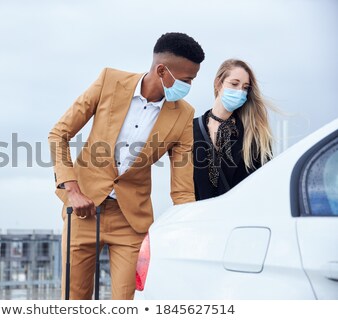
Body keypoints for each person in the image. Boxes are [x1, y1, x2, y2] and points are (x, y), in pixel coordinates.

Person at [49, 32, 205, 299]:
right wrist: (72, 191)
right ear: (161, 70)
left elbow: (182, 189)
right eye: (187, 80)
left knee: (129, 302)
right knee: (74, 300)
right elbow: (58, 135)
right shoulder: (110, 80)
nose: (189, 86)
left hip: (131, 222)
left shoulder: (184, 115)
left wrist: (189, 228)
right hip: (84, 211)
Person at [193, 59, 273, 200]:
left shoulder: (254, 134)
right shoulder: (191, 129)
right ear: (218, 83)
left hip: (237, 217)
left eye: (245, 87)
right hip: (199, 217)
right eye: (234, 84)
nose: (240, 92)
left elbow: (264, 184)